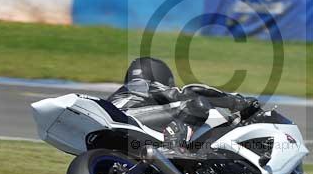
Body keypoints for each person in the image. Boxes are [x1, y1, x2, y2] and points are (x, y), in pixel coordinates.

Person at [108, 57, 260, 148]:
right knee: (196, 103)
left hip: (116, 130)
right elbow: (190, 91)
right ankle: (174, 146)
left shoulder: (128, 92)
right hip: (127, 119)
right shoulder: (145, 85)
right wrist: (237, 102)